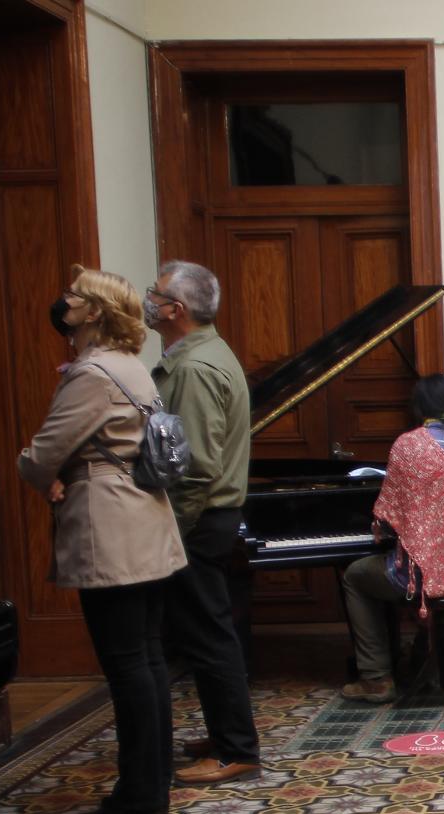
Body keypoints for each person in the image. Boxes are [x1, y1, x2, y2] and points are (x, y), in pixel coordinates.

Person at [17, 267, 187, 814]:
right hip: (146, 521)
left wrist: (42, 474)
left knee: (127, 664)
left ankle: (138, 796)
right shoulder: (131, 366)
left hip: (111, 529)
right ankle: (153, 780)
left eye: (72, 297)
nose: (62, 303)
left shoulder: (91, 372)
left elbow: (43, 452)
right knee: (149, 658)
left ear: (92, 312)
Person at [144, 260, 261, 786]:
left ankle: (235, 749)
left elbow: (194, 467)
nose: (149, 301)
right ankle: (225, 735)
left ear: (177, 310)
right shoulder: (208, 353)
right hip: (212, 515)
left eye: (156, 294)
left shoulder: (192, 368)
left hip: (199, 518)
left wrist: (174, 530)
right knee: (210, 632)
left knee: (209, 637)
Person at [339, 375, 444, 702]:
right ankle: (426, 652)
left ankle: (376, 677)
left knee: (355, 576)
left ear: (419, 407)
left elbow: (387, 520)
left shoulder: (408, 446)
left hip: (419, 577)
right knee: (430, 566)